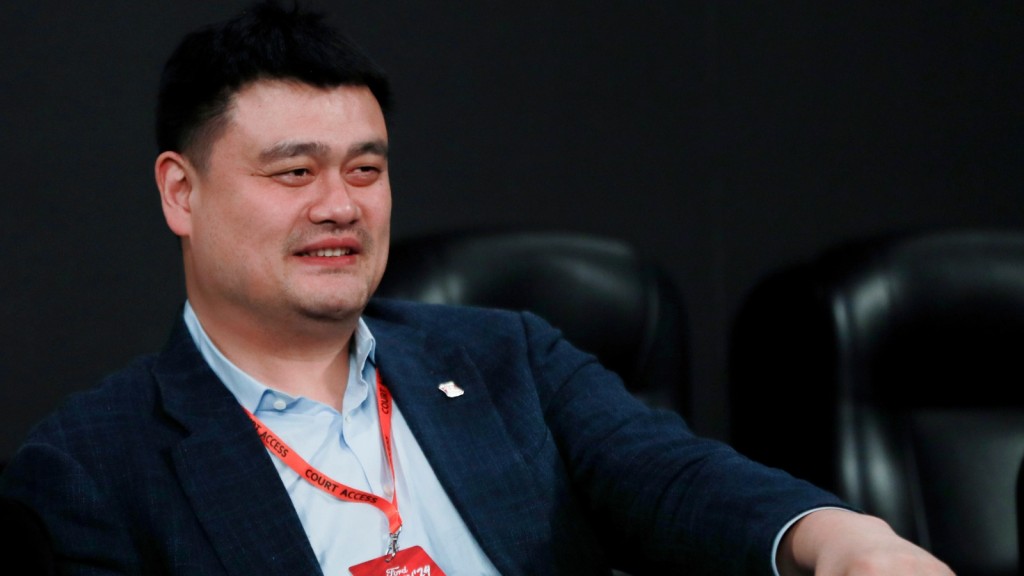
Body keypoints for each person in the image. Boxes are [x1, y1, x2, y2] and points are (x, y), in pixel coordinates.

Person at [0, 2, 954, 575]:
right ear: (182, 192)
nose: (340, 206)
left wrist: (837, 538)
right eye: (294, 172)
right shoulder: (90, 467)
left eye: (366, 170)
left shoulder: (508, 359)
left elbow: (671, 478)